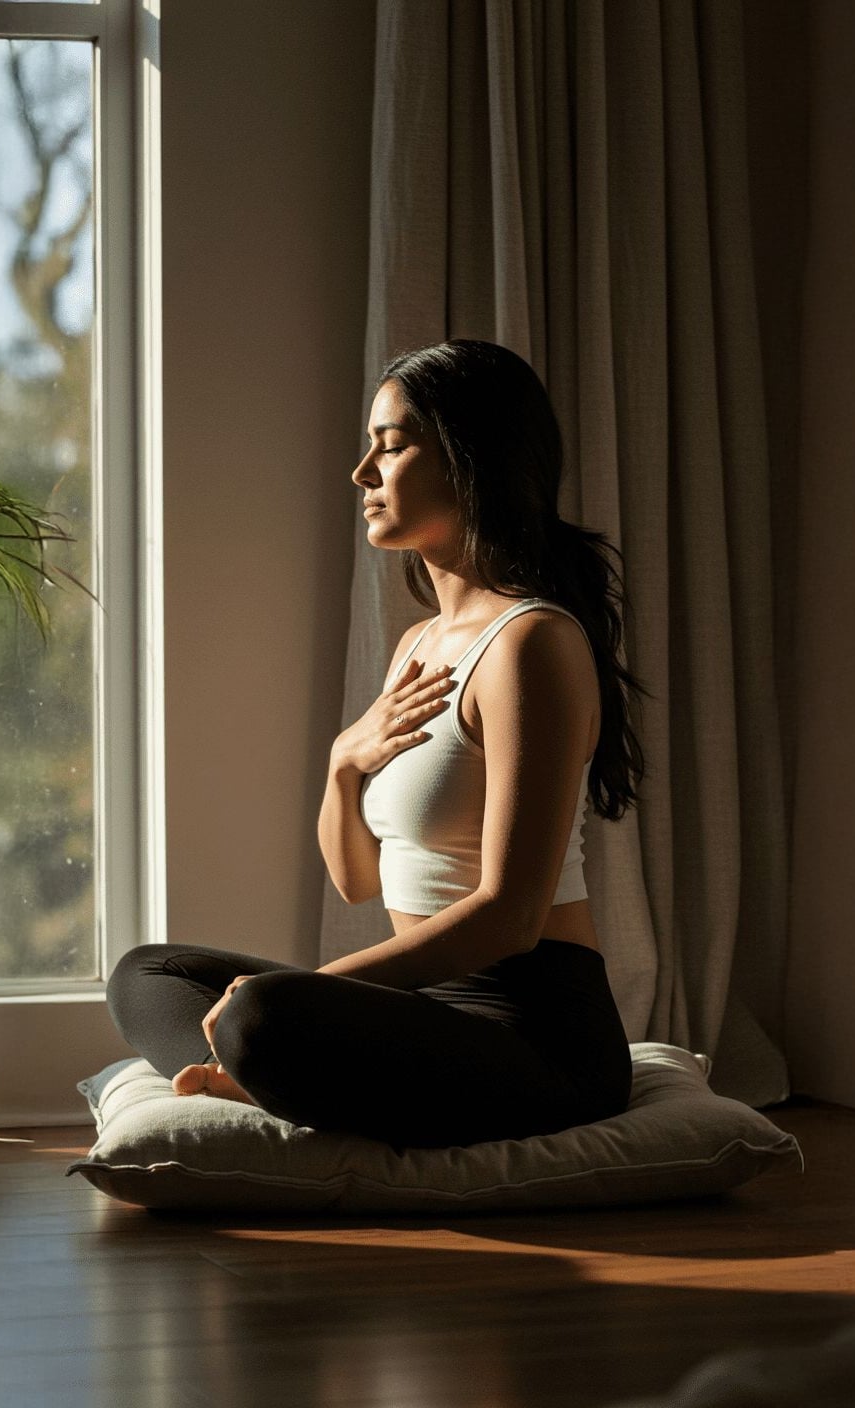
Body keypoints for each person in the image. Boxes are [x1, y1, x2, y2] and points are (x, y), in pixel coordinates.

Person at [107, 339, 648, 1150]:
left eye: (390, 446)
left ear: (471, 460)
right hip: (425, 1007)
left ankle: (262, 1065)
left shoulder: (531, 644)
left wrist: (307, 995)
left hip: (537, 1035)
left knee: (260, 1012)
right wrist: (342, 761)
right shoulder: (422, 643)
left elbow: (509, 916)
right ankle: (268, 1067)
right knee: (148, 975)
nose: (363, 472)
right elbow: (357, 876)